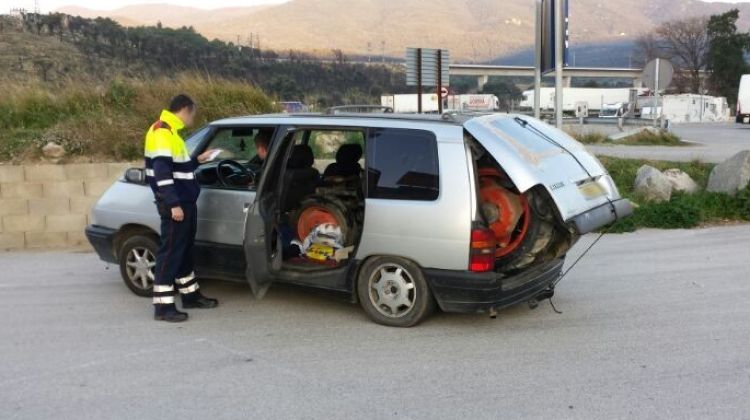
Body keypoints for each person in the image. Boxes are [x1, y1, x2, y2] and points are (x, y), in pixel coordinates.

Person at [144, 94, 219, 322]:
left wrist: (198, 160)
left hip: (185, 202)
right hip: (176, 204)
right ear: (185, 110)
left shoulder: (171, 133)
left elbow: (177, 166)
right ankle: (163, 307)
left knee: (184, 250)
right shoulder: (161, 132)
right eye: (193, 113)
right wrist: (173, 204)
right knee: (170, 253)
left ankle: (190, 296)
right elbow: (162, 172)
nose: (193, 118)